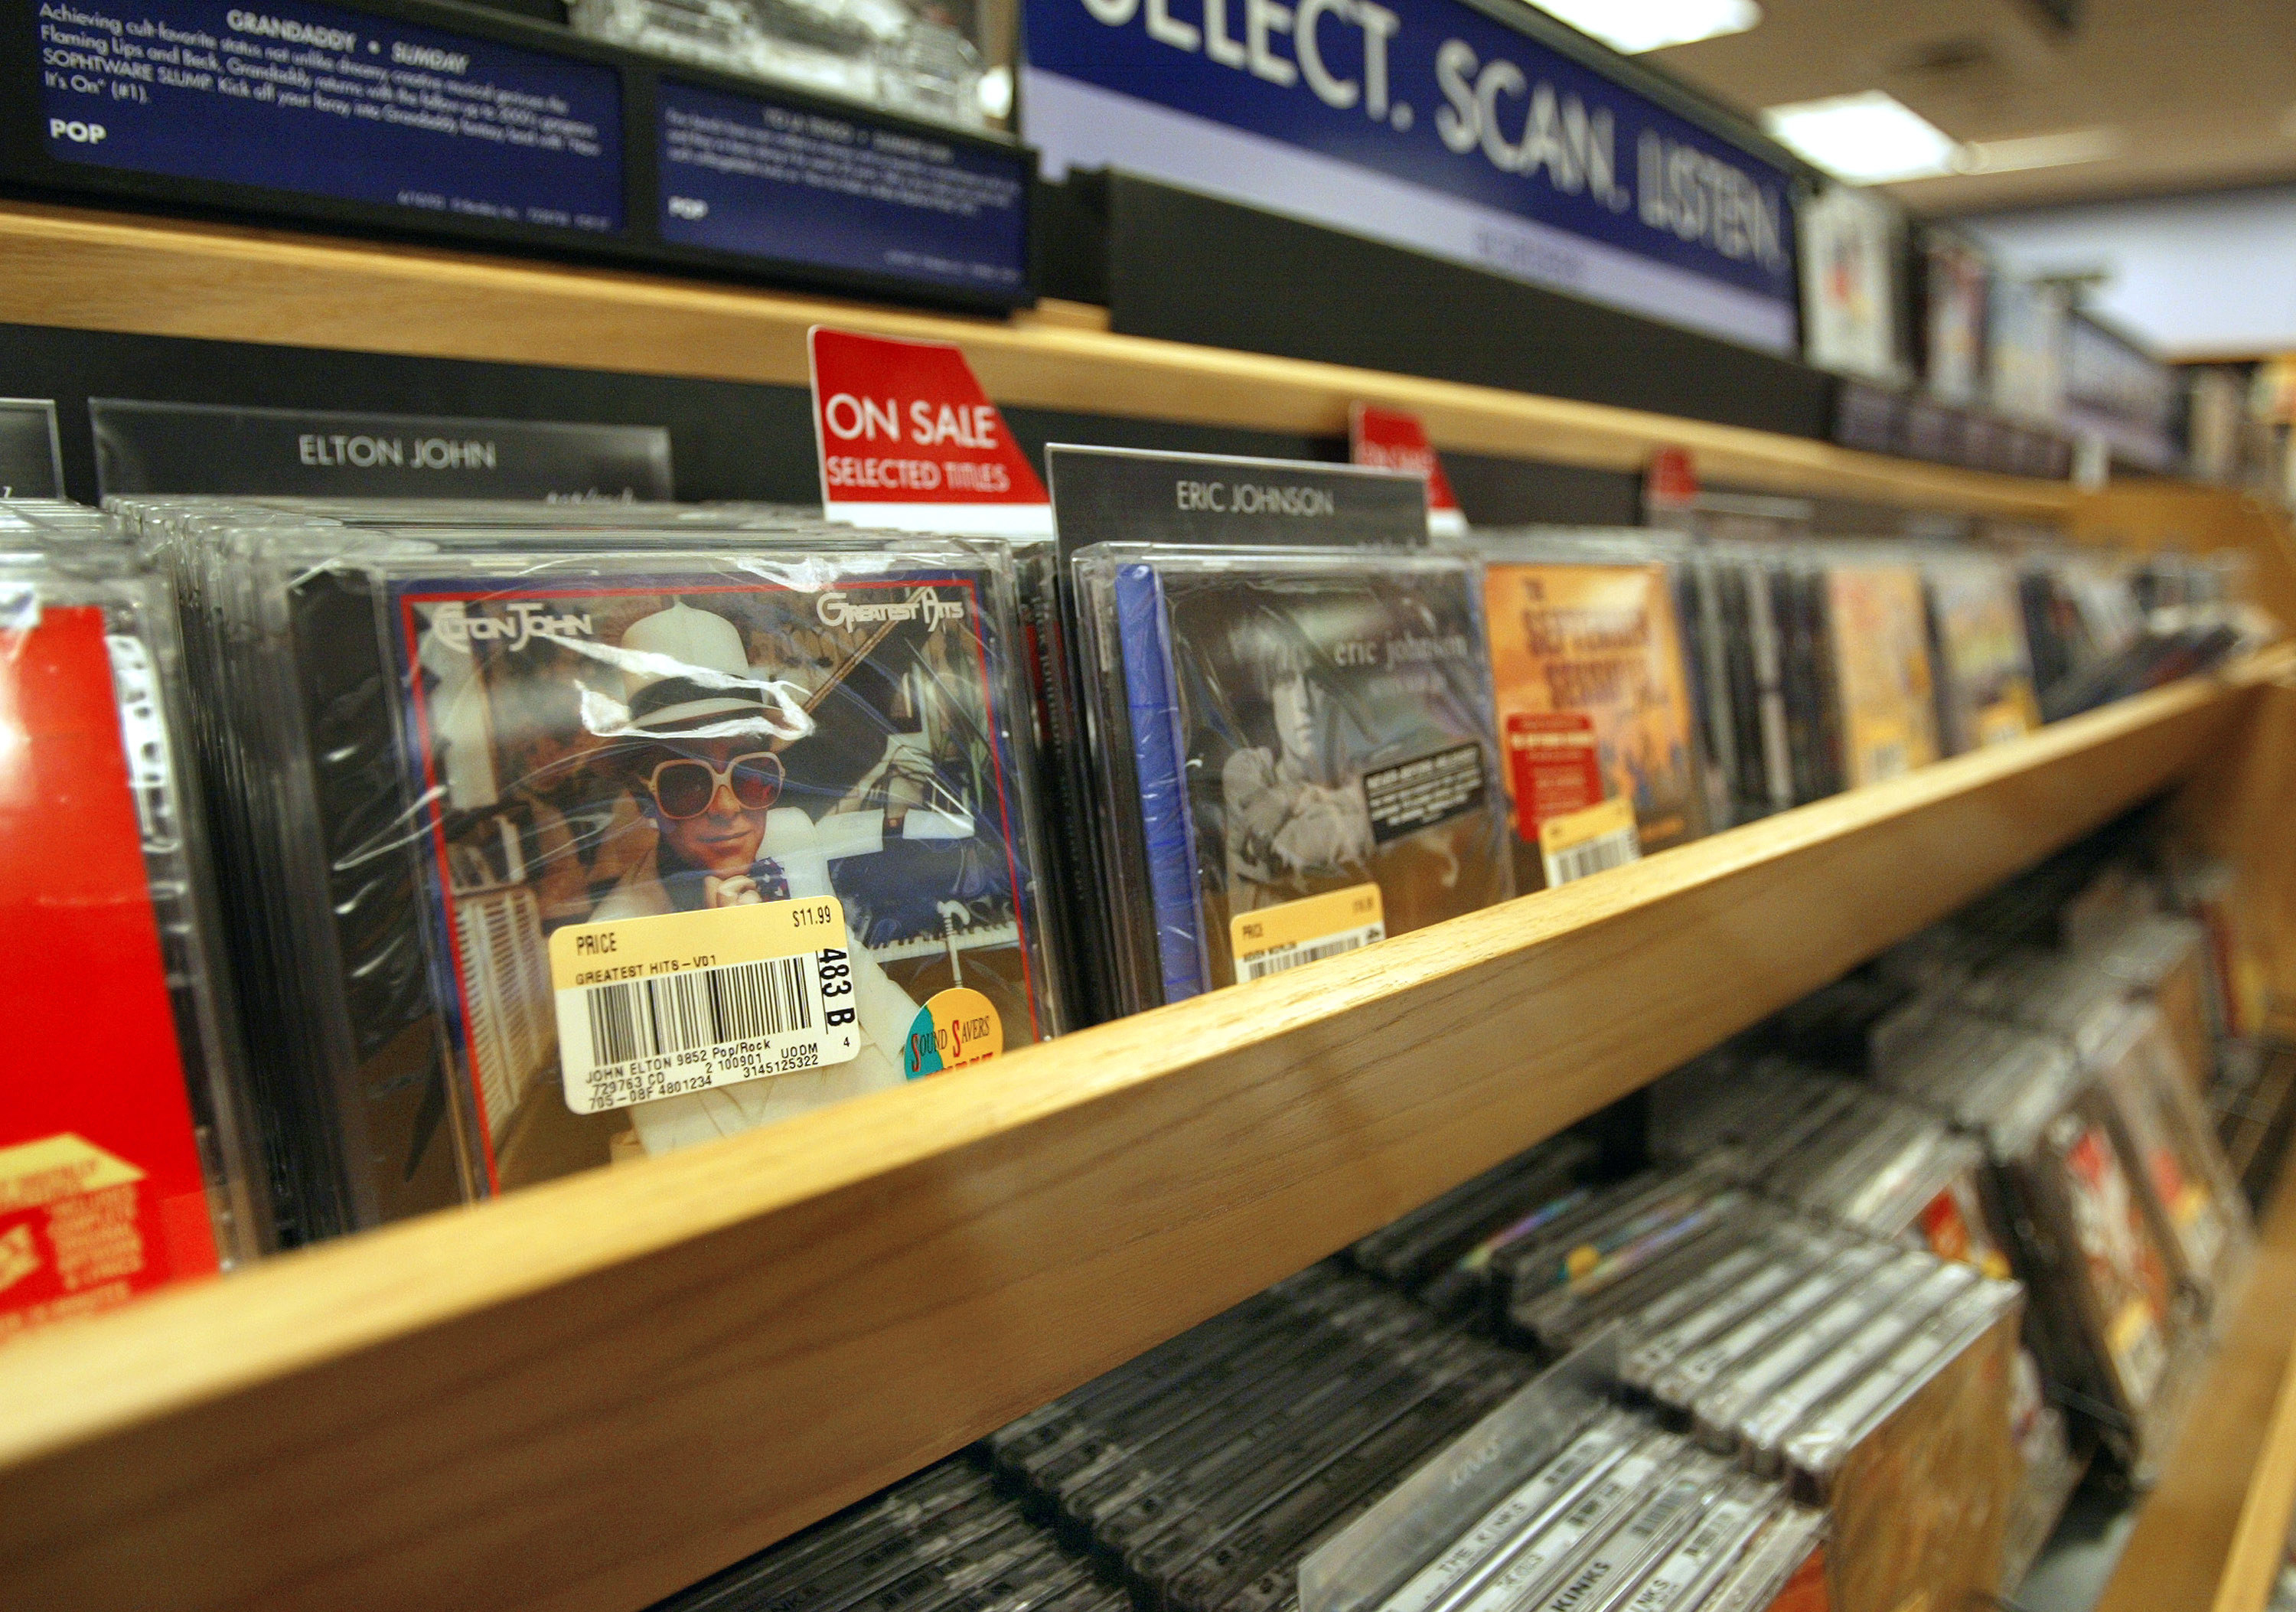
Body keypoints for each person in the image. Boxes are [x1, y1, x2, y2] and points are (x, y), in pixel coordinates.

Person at [589, 601, 967, 1153]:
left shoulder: (789, 839)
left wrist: (952, 1083)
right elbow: (696, 1139)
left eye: (753, 776)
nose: (727, 809)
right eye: (687, 784)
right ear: (646, 800)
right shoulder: (615, 942)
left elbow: (864, 986)